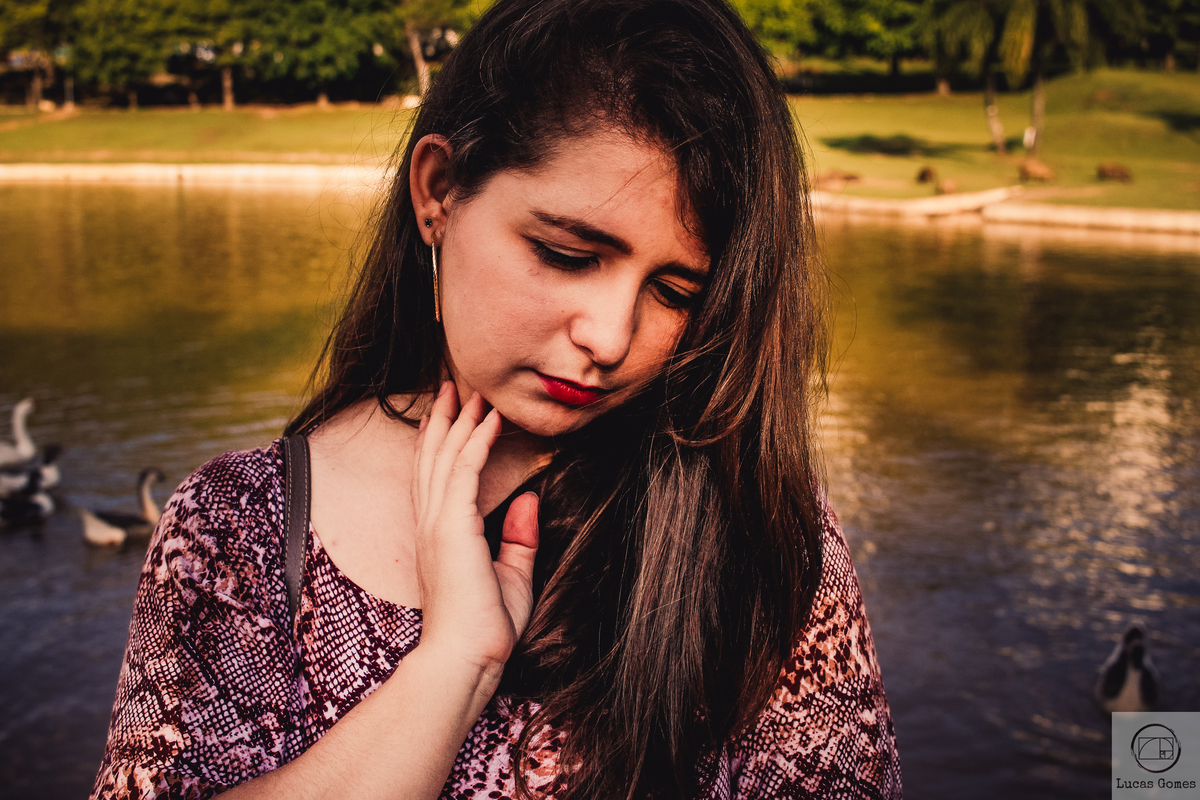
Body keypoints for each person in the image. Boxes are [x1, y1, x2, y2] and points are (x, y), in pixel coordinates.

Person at [91, 0, 902, 797]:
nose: (611, 338)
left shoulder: (762, 534)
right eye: (567, 253)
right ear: (439, 192)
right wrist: (453, 668)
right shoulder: (239, 531)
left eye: (675, 290)